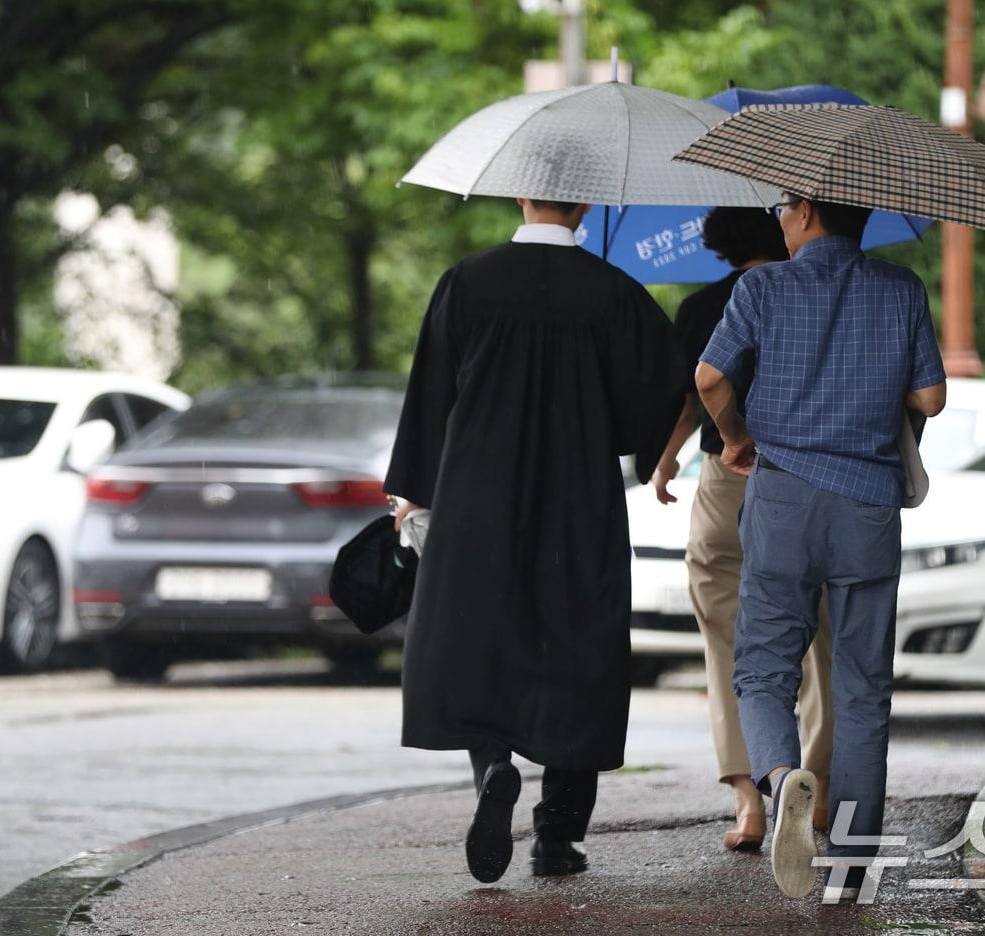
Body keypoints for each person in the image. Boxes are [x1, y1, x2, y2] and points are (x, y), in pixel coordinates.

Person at [384, 196, 686, 884]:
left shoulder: (469, 280)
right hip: (578, 498)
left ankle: (494, 767)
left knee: (481, 640)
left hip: (475, 497)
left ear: (522, 195)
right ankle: (558, 835)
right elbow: (661, 387)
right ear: (584, 203)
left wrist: (416, 493)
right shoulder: (613, 292)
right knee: (578, 650)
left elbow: (430, 392)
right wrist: (608, 425)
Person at [694, 193, 946, 900]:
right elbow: (931, 399)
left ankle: (782, 782)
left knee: (764, 669)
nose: (777, 218)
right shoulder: (901, 288)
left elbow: (709, 377)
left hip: (781, 499)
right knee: (864, 688)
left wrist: (736, 433)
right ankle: (854, 863)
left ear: (804, 213)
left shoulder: (763, 285)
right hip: (867, 506)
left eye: (782, 207)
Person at [651, 207, 834, 852]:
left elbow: (692, 392)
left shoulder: (704, 305)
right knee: (816, 633)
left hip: (724, 474)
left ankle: (750, 802)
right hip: (801, 473)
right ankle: (812, 792)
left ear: (718, 244)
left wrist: (674, 454)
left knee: (723, 631)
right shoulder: (807, 294)